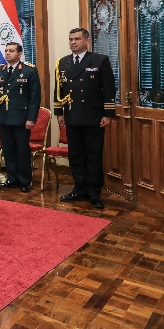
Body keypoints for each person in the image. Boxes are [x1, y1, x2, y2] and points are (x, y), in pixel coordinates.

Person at [55, 28, 116, 209]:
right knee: (76, 156)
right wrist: (59, 112)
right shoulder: (63, 62)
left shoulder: (99, 60)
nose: (73, 42)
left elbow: (109, 89)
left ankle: (94, 192)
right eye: (71, 39)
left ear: (87, 41)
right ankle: (79, 188)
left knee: (93, 155)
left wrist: (108, 113)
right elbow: (58, 90)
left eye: (77, 39)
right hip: (72, 115)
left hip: (93, 117)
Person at [0, 43, 41, 192]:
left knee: (22, 150)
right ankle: (12, 178)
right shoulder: (0, 71)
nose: (7, 53)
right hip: (4, 117)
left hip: (21, 118)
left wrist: (31, 118)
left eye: (11, 51)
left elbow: (35, 97)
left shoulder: (29, 70)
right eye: (6, 51)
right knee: (8, 149)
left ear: (19, 54)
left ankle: (25, 180)